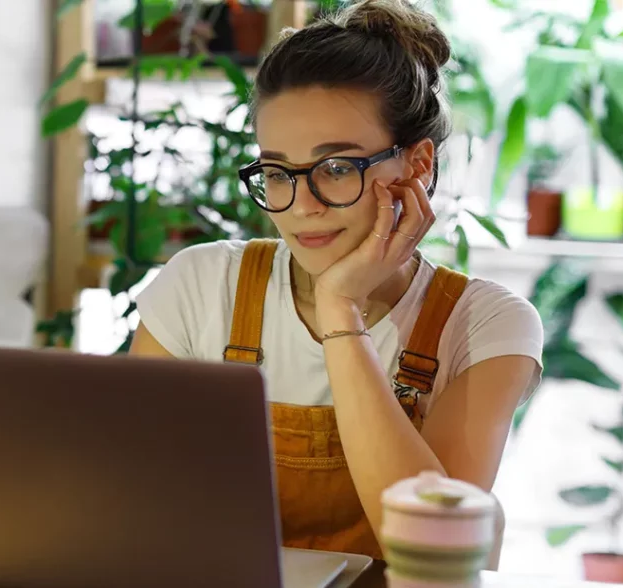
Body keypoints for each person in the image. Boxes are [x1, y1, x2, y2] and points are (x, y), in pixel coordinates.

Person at [129, 0, 544, 560]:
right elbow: (129, 499)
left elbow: (435, 549)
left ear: (417, 165)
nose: (301, 206)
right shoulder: (203, 283)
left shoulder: (485, 325)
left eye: (337, 168)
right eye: (278, 173)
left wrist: (340, 311)